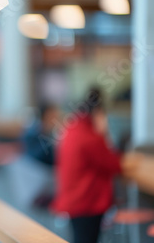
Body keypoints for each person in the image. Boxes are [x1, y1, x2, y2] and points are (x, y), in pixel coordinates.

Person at [51, 88, 122, 243]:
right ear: (98, 113)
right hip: (87, 202)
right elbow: (115, 165)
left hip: (74, 199)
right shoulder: (90, 138)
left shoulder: (72, 129)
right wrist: (103, 133)